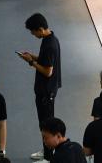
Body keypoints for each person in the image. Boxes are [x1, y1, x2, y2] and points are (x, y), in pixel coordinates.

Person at [19, 12, 61, 161]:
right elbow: (46, 60)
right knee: (44, 123)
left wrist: (31, 62)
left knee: (46, 125)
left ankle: (48, 157)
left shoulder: (49, 45)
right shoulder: (50, 39)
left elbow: (48, 71)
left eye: (33, 31)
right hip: (47, 90)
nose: (33, 34)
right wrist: (32, 56)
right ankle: (46, 150)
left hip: (46, 92)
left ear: (41, 29)